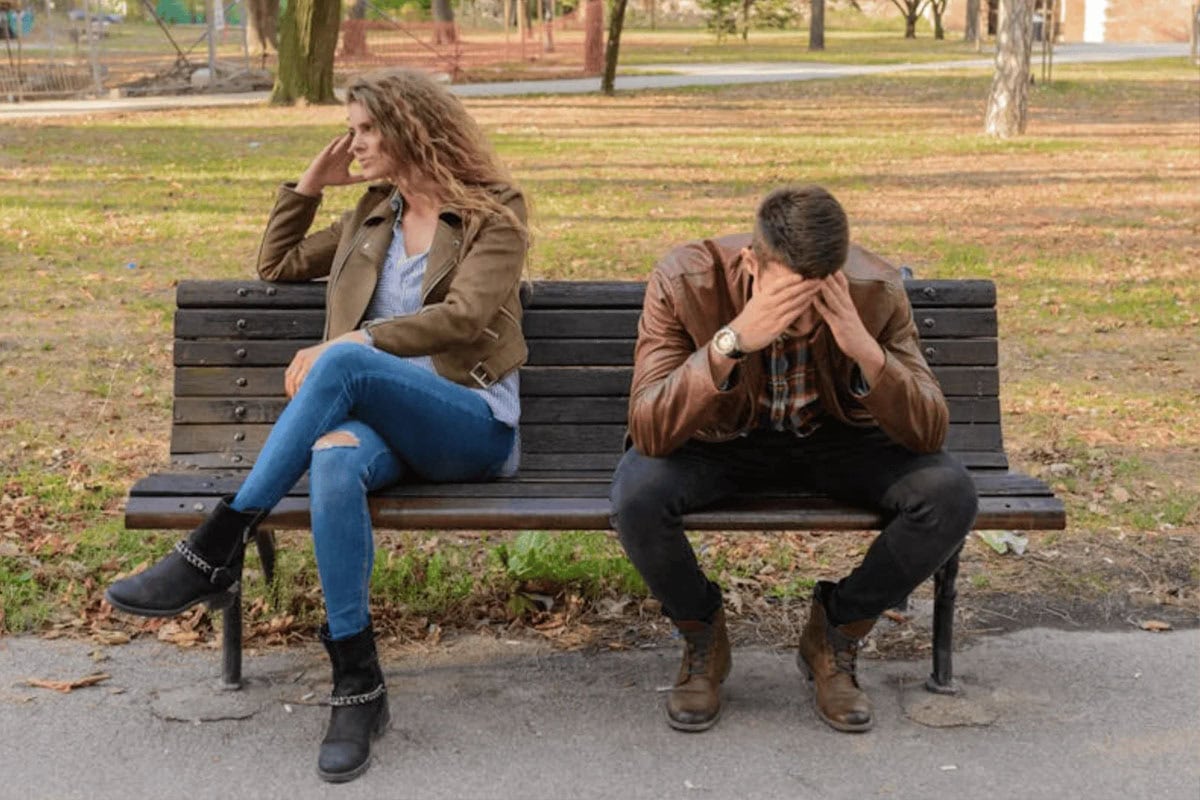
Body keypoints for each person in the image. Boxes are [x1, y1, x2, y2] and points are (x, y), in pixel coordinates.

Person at [105, 68, 529, 783]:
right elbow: (275, 264)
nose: (353, 143)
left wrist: (353, 343)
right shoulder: (371, 216)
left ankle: (217, 544)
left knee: (344, 363)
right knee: (333, 461)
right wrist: (308, 183)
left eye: (365, 129)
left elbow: (465, 318)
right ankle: (358, 686)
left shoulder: (494, 210)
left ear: (408, 127)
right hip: (381, 426)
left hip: (471, 423)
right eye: (352, 130)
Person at [609, 185, 977, 734]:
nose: (800, 319)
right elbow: (651, 430)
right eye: (786, 299)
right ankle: (702, 632)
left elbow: (928, 431)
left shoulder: (873, 288)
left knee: (949, 494)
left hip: (835, 440)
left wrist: (862, 346)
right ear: (753, 263)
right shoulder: (686, 279)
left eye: (816, 299)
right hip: (722, 443)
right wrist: (730, 343)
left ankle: (836, 631)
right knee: (636, 494)